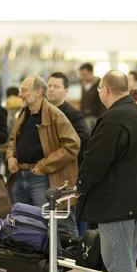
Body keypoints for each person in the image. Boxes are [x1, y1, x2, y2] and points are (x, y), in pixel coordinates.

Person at [77, 70, 137, 272]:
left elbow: (96, 160)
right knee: (127, 259)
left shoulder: (114, 118)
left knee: (118, 260)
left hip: (116, 203)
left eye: (99, 90)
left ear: (106, 90)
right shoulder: (136, 114)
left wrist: (81, 186)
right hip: (136, 199)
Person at [7, 75, 80, 212]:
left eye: (24, 90)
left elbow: (72, 145)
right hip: (20, 176)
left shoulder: (55, 115)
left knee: (47, 224)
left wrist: (44, 165)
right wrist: (10, 157)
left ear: (38, 92)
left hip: (41, 179)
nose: (19, 94)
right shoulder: (24, 114)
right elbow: (13, 140)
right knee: (23, 224)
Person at [46, 72, 90, 242]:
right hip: (45, 173)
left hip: (65, 174)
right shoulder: (43, 111)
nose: (51, 90)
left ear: (66, 90)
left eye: (56, 86)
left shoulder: (72, 114)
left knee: (65, 220)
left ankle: (74, 256)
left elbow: (83, 139)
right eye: (49, 86)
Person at [79, 63, 105, 130]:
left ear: (91, 72)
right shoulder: (83, 84)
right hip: (85, 116)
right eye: (81, 75)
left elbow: (102, 103)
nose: (83, 77)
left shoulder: (100, 84)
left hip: (96, 117)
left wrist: (101, 119)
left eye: (85, 75)